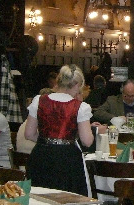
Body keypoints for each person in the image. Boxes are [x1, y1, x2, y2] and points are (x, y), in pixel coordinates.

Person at [24, 64, 104, 194]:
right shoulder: (80, 107)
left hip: (41, 156)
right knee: (68, 199)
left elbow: (29, 134)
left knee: (39, 198)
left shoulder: (39, 101)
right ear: (77, 85)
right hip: (67, 159)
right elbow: (87, 141)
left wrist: (47, 141)